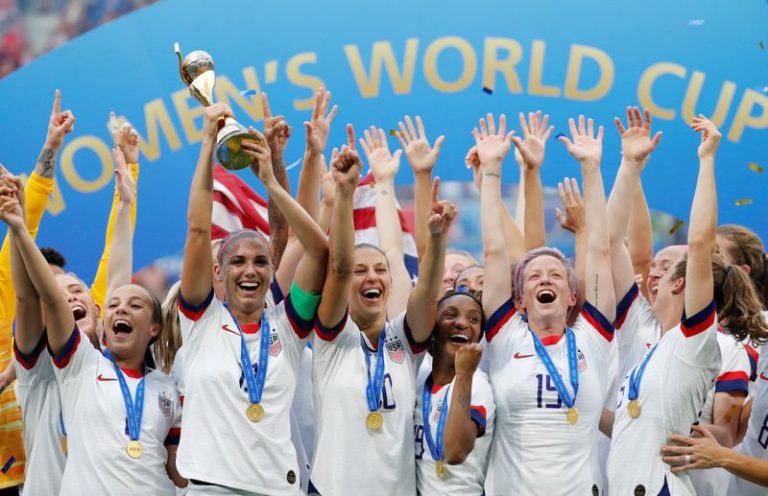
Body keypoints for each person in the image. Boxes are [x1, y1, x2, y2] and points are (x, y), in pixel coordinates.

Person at [0, 157, 184, 494]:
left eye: (76, 291)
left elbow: (117, 275)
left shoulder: (139, 376)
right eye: (56, 298)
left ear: (98, 310)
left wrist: (125, 202)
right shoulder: (39, 365)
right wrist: (18, 226)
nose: (68, 299)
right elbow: (27, 299)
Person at [606, 115, 768, 495]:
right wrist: (629, 166)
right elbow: (610, 243)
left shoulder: (693, 342)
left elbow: (699, 243)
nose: (651, 276)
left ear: (679, 283)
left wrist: (707, 159)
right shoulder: (655, 338)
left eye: (664, 271)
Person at [176, 103, 327, 494]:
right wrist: (207, 142)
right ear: (217, 272)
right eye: (238, 261)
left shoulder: (289, 327)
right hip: (210, 488)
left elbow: (318, 250)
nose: (250, 270)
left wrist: (272, 183)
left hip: (277, 487)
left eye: (261, 262)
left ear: (271, 270)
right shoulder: (200, 321)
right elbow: (197, 230)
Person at [308, 126, 453, 495]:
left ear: (390, 282)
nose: (371, 277)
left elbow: (427, 292)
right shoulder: (332, 337)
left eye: (379, 270)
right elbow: (339, 266)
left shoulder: (402, 339)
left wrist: (437, 241)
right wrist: (344, 194)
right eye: (361, 271)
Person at [480, 113, 616, 495]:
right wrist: (490, 171)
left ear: (573, 296)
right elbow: (494, 251)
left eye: (556, 275)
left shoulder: (592, 338)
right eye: (534, 276)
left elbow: (600, 250)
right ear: (519, 300)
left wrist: (592, 169)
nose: (544, 279)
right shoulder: (506, 336)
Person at [661, 339, 768, 495]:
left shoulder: (733, 351)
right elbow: (754, 415)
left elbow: (726, 439)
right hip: (738, 487)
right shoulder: (766, 348)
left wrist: (723, 457)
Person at [414, 290, 494, 495]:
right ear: (432, 332)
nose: (462, 323)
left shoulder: (477, 385)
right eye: (450, 315)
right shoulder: (418, 380)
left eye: (473, 319)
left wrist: (464, 374)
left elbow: (455, 452)